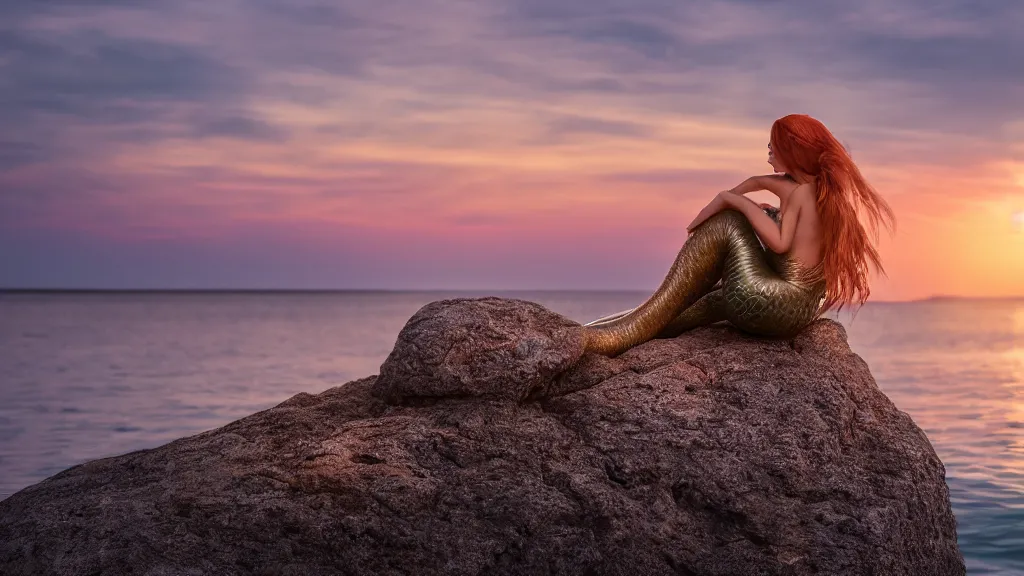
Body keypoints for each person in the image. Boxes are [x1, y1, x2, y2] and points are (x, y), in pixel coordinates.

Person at [582, 113, 896, 357]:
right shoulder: (819, 195)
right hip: (796, 311)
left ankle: (610, 335)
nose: (769, 150)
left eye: (775, 144)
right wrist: (752, 188)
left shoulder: (802, 195)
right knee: (695, 307)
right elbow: (787, 230)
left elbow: (780, 243)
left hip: (775, 301)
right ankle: (600, 334)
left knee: (729, 223)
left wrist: (736, 202)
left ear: (794, 150)